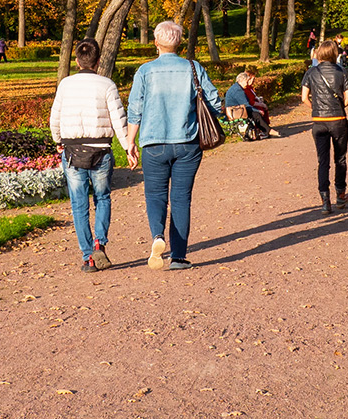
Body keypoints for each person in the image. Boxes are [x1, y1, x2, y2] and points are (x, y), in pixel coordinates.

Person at [123, 21, 224, 271]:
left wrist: (130, 143)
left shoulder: (145, 71)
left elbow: (135, 110)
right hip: (188, 143)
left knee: (155, 195)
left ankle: (158, 236)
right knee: (181, 199)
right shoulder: (193, 68)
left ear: (156, 43)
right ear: (178, 43)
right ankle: (178, 257)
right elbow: (215, 103)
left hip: (154, 143)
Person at [50, 39, 130, 273]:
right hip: (100, 149)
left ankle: (87, 257)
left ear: (76, 60)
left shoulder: (66, 84)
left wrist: (57, 140)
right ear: (97, 61)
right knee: (103, 198)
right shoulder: (107, 84)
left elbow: (55, 116)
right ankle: (100, 243)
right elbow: (118, 118)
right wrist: (128, 147)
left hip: (73, 151)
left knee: (79, 204)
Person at [301, 39, 348, 213]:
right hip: (338, 119)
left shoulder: (311, 72)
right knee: (340, 159)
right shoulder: (342, 71)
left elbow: (304, 98)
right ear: (334, 53)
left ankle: (325, 201)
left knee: (322, 161)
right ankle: (340, 194)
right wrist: (339, 107)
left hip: (319, 121)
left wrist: (316, 109)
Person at [225, 65, 271, 140]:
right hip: (235, 112)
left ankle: (265, 131)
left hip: (237, 110)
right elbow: (247, 105)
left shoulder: (237, 87)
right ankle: (266, 131)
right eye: (246, 81)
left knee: (256, 114)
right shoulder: (238, 90)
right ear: (241, 81)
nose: (247, 83)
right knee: (256, 114)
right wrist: (258, 110)